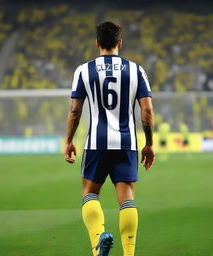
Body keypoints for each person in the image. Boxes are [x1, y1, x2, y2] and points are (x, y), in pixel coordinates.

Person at [64, 21, 155, 256]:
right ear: (120, 43)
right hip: (127, 143)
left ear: (97, 43)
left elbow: (75, 110)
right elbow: (146, 111)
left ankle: (98, 245)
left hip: (96, 142)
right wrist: (150, 143)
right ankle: (129, 253)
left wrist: (68, 140)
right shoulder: (136, 70)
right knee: (127, 198)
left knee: (90, 194)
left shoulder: (84, 70)